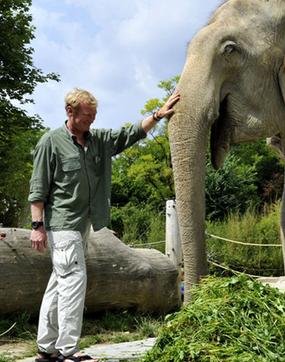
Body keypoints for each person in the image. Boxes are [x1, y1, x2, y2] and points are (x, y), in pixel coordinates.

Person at [29, 88, 180, 362]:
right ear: (70, 112)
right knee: (74, 281)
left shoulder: (97, 140)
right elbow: (38, 189)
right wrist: (37, 226)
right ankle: (68, 350)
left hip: (82, 223)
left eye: (94, 116)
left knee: (59, 282)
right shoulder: (50, 143)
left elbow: (129, 134)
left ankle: (46, 348)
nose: (92, 121)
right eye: (87, 116)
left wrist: (157, 115)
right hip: (62, 223)